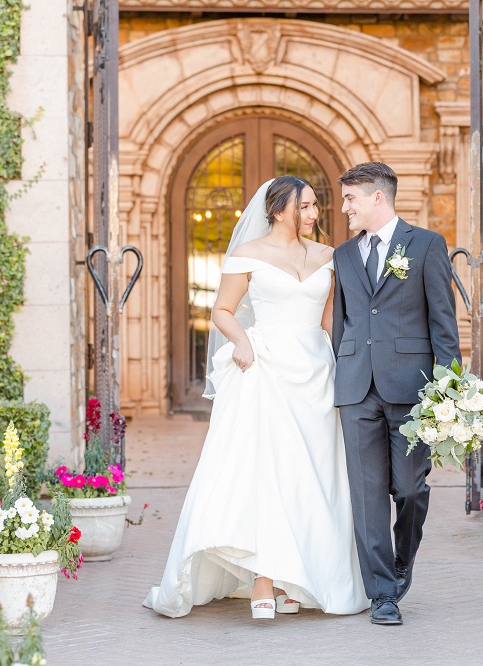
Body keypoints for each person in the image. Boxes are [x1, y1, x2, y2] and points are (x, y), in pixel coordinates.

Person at [143, 176, 369, 620]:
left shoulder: (329, 256)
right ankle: (263, 576)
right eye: (304, 206)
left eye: (315, 205)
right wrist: (242, 342)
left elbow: (330, 323)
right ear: (279, 210)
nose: (314, 213)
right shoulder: (247, 255)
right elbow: (221, 311)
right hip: (265, 369)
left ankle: (294, 579)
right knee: (268, 471)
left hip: (316, 374)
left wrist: (347, 371)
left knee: (312, 475)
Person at [331, 162, 461, 625]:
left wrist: (448, 391)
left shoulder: (426, 245)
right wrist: (340, 376)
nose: (344, 207)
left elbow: (444, 323)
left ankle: (403, 558)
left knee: (408, 488)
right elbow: (343, 323)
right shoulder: (344, 255)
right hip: (356, 389)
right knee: (367, 496)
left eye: (350, 198)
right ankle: (382, 593)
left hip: (411, 388)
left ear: (377, 198)